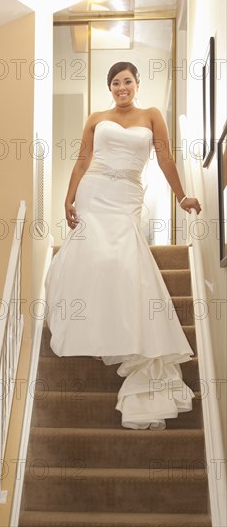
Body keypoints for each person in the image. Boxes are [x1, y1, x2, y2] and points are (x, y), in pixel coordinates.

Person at [45, 61, 202, 430]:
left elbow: (163, 158)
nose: (121, 87)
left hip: (127, 194)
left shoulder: (151, 116)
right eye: (115, 82)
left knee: (123, 261)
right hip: (94, 191)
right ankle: (96, 324)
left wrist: (182, 198)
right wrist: (68, 200)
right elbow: (83, 159)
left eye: (127, 81)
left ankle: (124, 328)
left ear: (136, 83)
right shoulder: (96, 117)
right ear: (109, 87)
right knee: (95, 256)